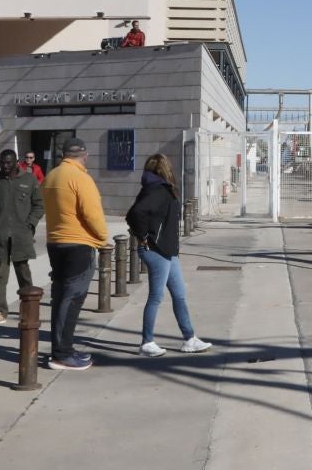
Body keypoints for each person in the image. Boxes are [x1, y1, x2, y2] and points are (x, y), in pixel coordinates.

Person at [127, 153, 211, 356]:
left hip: (167, 251)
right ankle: (146, 343)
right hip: (157, 250)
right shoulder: (159, 191)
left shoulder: (158, 189)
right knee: (156, 296)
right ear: (166, 169)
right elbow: (135, 214)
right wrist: (145, 237)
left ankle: (190, 338)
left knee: (179, 295)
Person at [40, 137, 108, 370]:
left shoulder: (52, 176)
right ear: (84, 155)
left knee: (60, 299)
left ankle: (63, 348)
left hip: (55, 242)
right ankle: (62, 353)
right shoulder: (81, 178)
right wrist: (101, 237)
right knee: (72, 300)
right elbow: (92, 214)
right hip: (78, 244)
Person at [0, 148, 42, 320]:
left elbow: (39, 205)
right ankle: (0, 310)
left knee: (24, 273)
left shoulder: (29, 180)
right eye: (2, 162)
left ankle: (29, 308)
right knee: (0, 277)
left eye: (8, 162)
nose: (4, 165)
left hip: (21, 236)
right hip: (0, 238)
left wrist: (30, 224)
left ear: (16, 162)